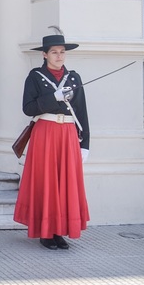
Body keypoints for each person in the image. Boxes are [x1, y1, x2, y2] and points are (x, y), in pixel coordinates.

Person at [14, 32, 90, 250]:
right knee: (46, 181)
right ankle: (45, 232)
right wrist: (53, 98)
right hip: (45, 133)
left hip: (68, 135)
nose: (59, 56)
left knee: (65, 183)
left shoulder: (74, 78)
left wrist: (85, 145)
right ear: (45, 55)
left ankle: (59, 231)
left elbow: (82, 113)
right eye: (54, 52)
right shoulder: (35, 77)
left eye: (62, 52)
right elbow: (28, 108)